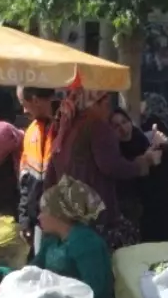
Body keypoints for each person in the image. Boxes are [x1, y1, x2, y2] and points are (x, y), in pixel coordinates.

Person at [0, 176, 115, 298]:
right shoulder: (51, 242)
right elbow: (28, 276)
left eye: (43, 211)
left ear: (59, 213)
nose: (39, 217)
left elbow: (98, 296)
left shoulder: (86, 243)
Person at [47, 90, 156, 250]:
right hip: (95, 216)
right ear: (99, 102)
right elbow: (111, 166)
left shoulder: (65, 128)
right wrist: (142, 163)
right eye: (106, 102)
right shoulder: (97, 126)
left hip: (68, 215)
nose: (108, 109)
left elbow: (50, 174)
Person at [110, 107, 168, 249]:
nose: (123, 128)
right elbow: (124, 186)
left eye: (124, 121)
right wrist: (145, 162)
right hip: (142, 224)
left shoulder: (148, 139)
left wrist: (166, 146)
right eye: (116, 126)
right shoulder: (116, 156)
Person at [17, 87, 57, 246]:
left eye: (24, 103)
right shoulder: (31, 131)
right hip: (40, 221)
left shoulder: (66, 126)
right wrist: (25, 219)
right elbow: (25, 181)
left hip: (65, 221)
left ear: (35, 100)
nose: (24, 110)